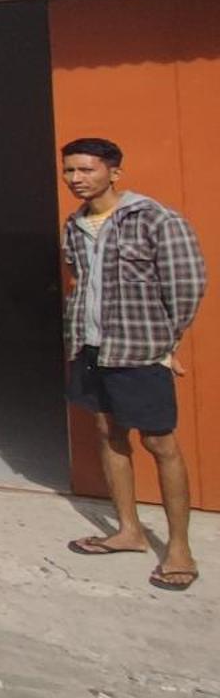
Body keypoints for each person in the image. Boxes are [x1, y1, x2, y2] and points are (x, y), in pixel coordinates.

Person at [59, 137, 206, 592]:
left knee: (161, 444)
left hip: (140, 351)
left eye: (86, 170)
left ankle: (179, 547)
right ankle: (129, 530)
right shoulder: (75, 224)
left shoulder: (154, 219)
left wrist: (166, 343)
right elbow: (80, 281)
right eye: (70, 171)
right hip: (92, 348)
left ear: (113, 173)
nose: (76, 179)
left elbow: (187, 286)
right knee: (108, 434)